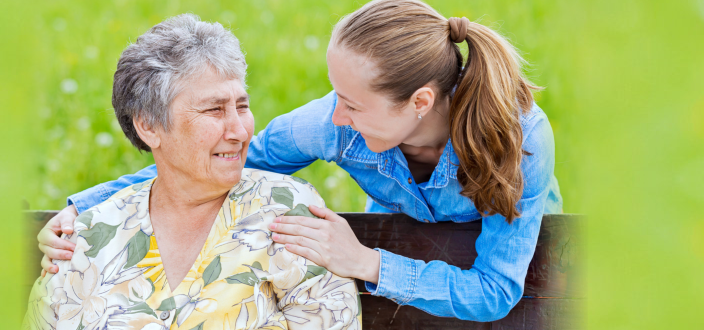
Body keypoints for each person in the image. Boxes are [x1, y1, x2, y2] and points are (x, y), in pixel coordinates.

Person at [38, 0, 559, 322]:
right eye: (336, 97)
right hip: (415, 237)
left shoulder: (520, 142)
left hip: (503, 259)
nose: (336, 117)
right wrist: (88, 208)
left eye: (352, 105)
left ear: (419, 103)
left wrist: (366, 263)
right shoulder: (330, 123)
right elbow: (210, 162)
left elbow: (495, 291)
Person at [23, 14, 362, 330]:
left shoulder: (288, 212)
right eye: (215, 110)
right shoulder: (86, 239)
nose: (240, 131)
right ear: (148, 125)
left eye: (241, 107)